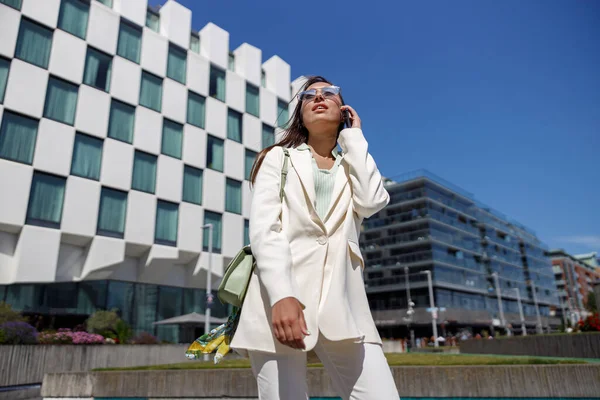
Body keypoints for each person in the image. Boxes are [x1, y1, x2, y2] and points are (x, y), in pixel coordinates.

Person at [230, 76, 399, 399]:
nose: (319, 98)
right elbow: (267, 231)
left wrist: (354, 137)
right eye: (309, 96)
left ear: (343, 109)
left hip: (344, 305)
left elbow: (374, 201)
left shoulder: (353, 165)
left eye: (329, 93)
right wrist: (281, 295)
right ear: (301, 114)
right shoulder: (278, 158)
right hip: (279, 301)